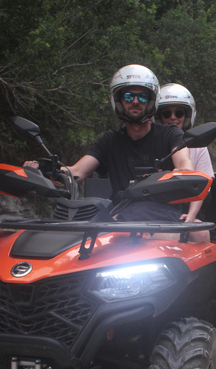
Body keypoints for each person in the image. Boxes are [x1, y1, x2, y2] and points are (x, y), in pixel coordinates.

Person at [23, 64, 206, 241]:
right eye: (128, 96)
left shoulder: (170, 133)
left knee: (200, 235)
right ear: (118, 100)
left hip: (164, 217)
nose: (135, 101)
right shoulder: (109, 140)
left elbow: (183, 161)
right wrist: (43, 170)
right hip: (121, 217)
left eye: (142, 97)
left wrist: (183, 171)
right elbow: (76, 172)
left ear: (151, 100)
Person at [155, 83, 213, 223]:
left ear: (187, 116)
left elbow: (202, 186)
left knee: (200, 233)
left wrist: (191, 216)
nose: (173, 117)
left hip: (188, 207)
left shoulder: (198, 146)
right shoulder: (152, 143)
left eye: (179, 113)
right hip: (156, 209)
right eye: (167, 113)